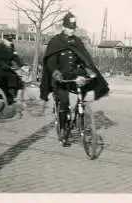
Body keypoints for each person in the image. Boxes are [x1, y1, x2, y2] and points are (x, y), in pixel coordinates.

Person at [40, 12, 109, 145]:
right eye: (70, 28)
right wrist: (55, 72)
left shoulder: (77, 41)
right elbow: (50, 61)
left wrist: (89, 71)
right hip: (60, 78)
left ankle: (77, 114)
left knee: (82, 92)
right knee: (64, 101)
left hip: (73, 76)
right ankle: (63, 129)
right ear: (64, 27)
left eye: (74, 28)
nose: (72, 30)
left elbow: (85, 59)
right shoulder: (56, 41)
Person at [0, 34, 24, 105]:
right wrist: (7, 66)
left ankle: (11, 97)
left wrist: (21, 65)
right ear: (4, 40)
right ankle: (3, 97)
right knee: (4, 80)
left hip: (7, 67)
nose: (11, 42)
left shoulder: (12, 46)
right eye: (9, 41)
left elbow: (15, 57)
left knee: (14, 78)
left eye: (11, 40)